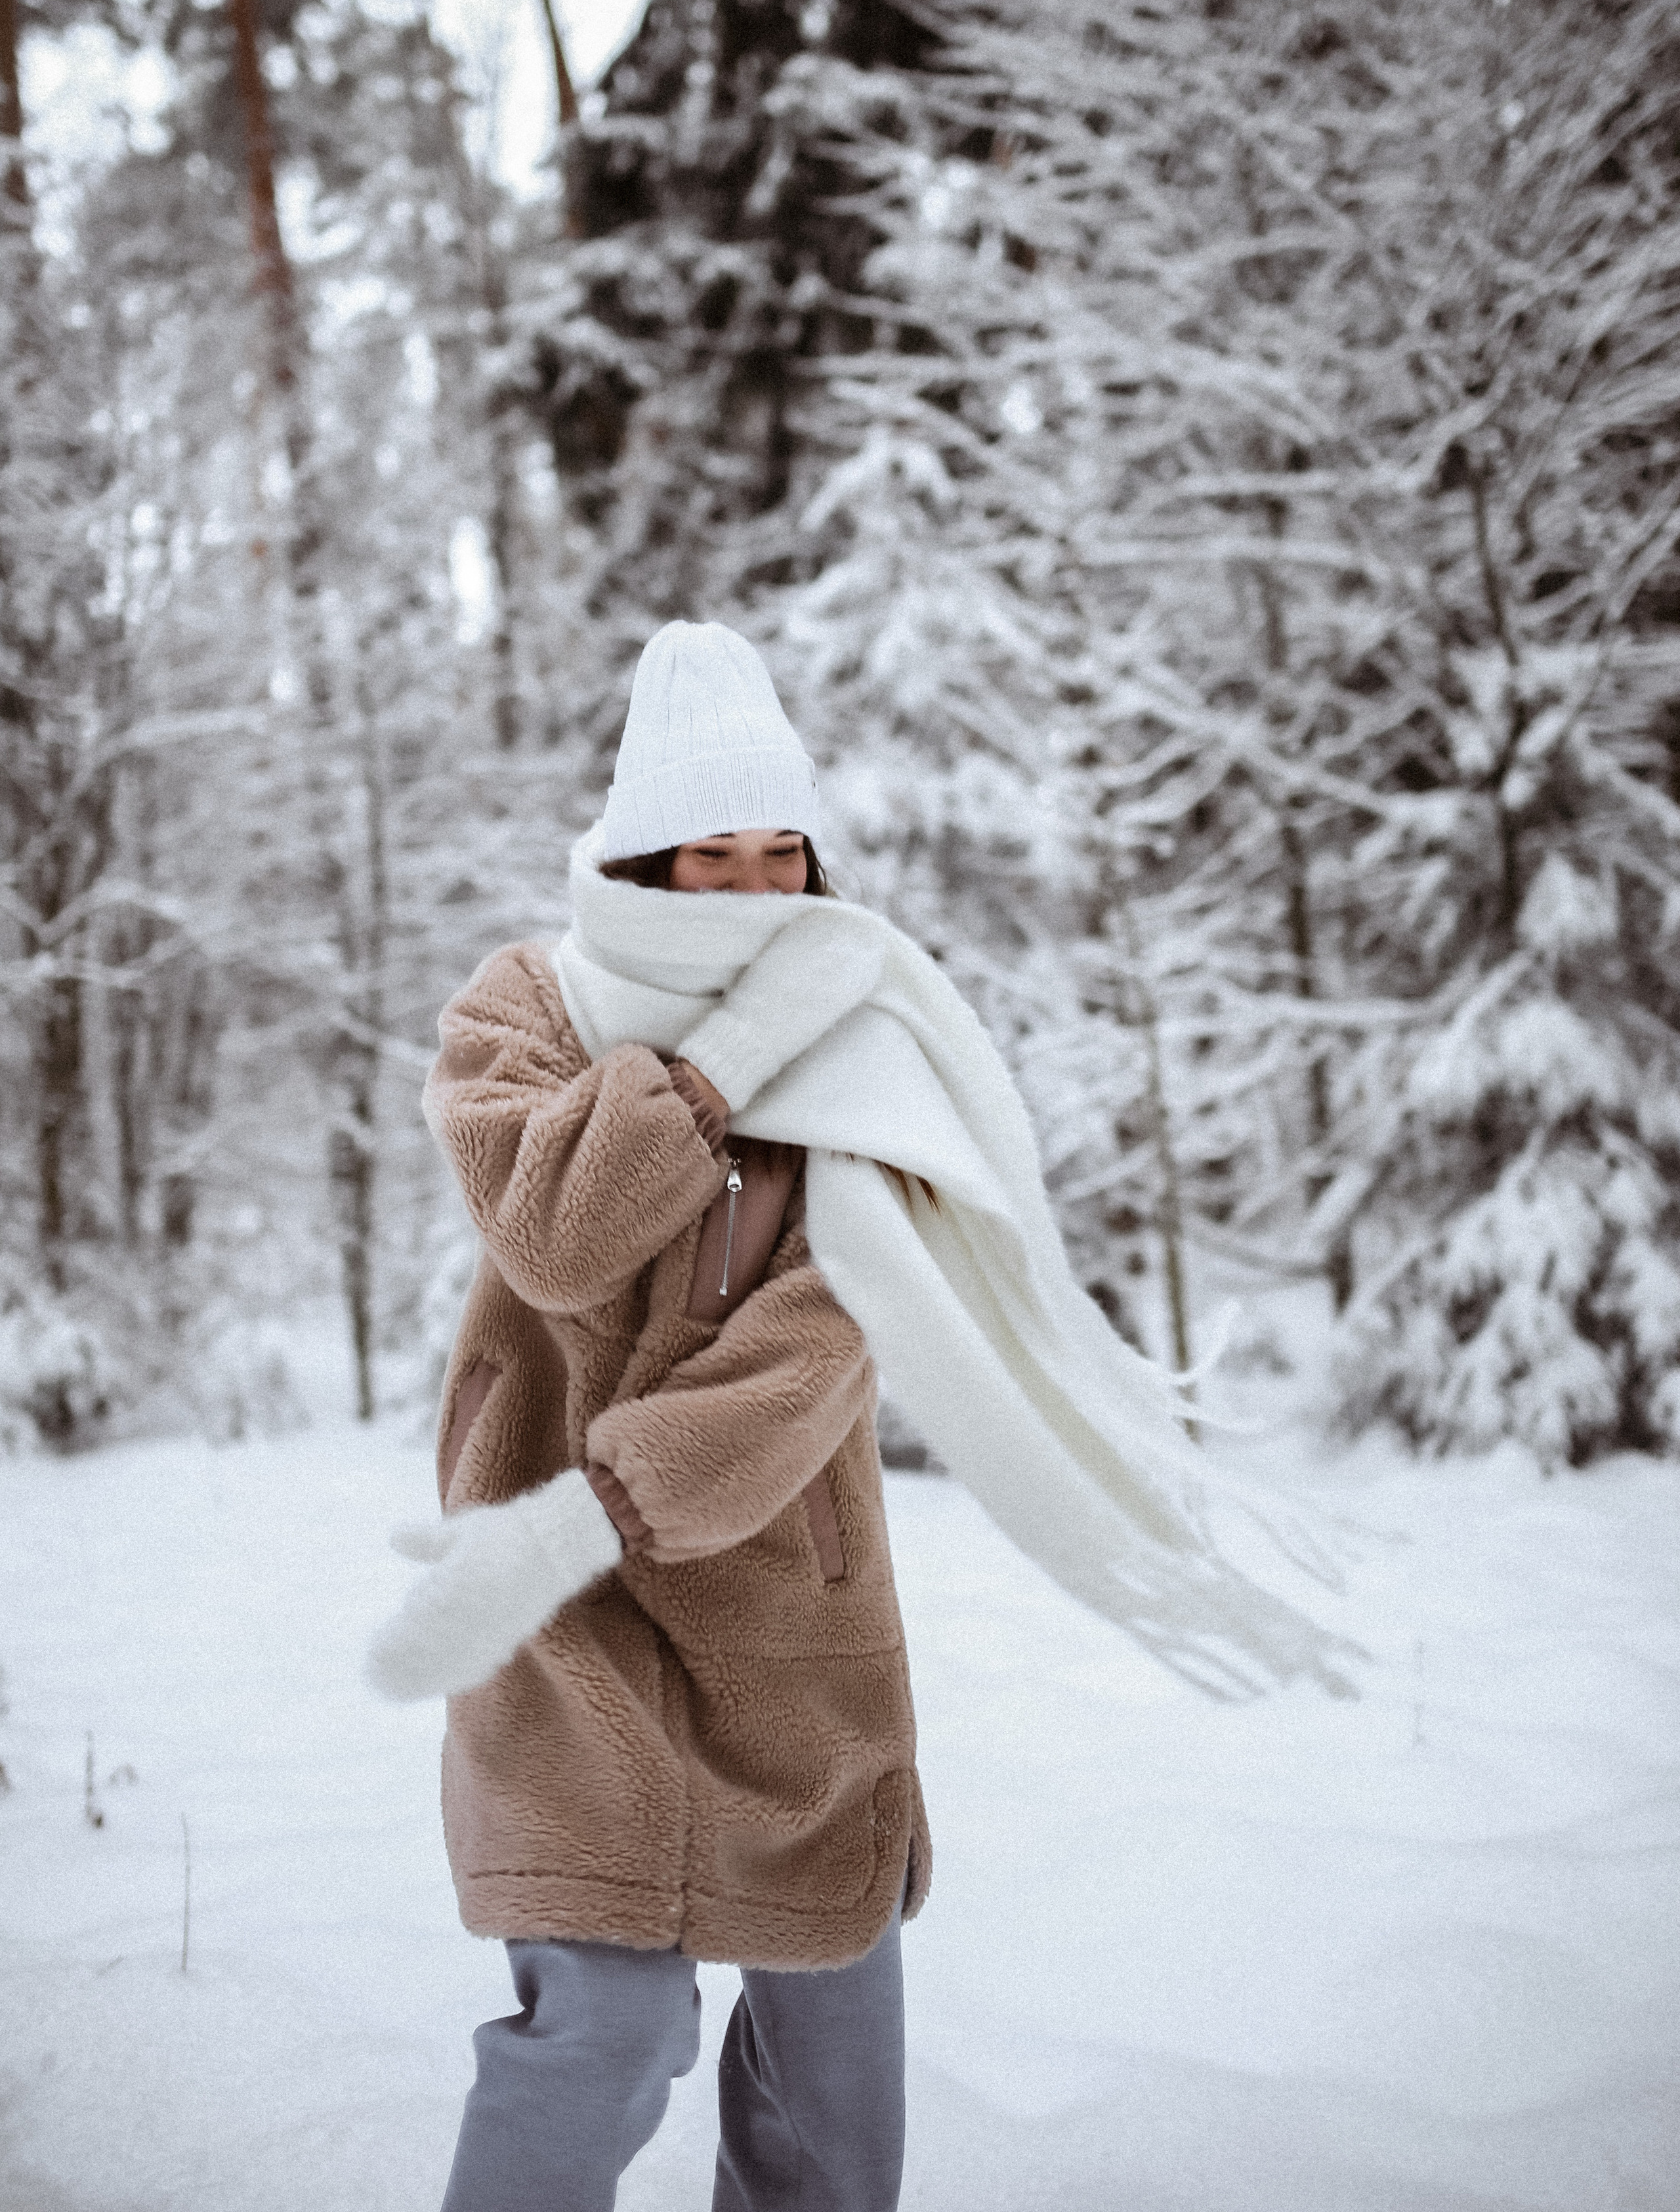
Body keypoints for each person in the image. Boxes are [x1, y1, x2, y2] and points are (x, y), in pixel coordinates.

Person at [370, 620, 1354, 2212]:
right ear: (640, 855)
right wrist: (720, 1058)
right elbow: (554, 1234)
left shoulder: (872, 1041)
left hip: (783, 1611)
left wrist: (614, 1497)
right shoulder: (525, 1015)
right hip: (550, 1611)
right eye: (714, 857)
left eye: (784, 855)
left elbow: (818, 1348)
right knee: (600, 2040)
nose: (759, 894)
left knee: (835, 2116)